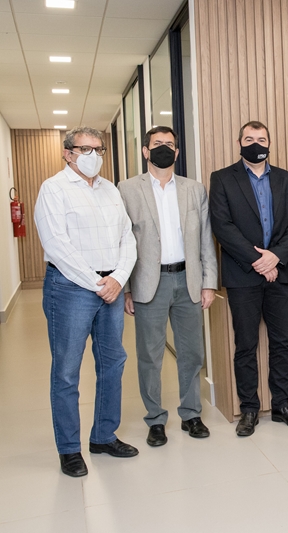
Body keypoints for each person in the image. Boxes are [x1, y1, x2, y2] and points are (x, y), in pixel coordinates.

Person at [34, 126, 138, 477]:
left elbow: (127, 237)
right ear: (68, 153)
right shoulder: (54, 189)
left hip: (110, 285)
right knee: (67, 370)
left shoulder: (110, 190)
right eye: (85, 149)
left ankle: (104, 436)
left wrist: (118, 278)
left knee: (113, 363)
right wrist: (98, 283)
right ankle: (69, 449)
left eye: (98, 149)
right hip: (70, 288)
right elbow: (56, 245)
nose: (93, 156)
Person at [119, 126, 218, 447]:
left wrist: (209, 283)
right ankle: (156, 419)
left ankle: (191, 414)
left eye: (169, 144)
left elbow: (205, 238)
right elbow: (123, 241)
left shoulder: (194, 189)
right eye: (157, 144)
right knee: (150, 355)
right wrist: (127, 288)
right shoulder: (127, 189)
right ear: (146, 151)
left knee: (192, 352)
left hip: (188, 280)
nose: (164, 148)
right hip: (149, 282)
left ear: (177, 152)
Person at [209, 120, 288, 436]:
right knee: (245, 345)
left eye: (261, 139)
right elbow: (222, 226)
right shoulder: (222, 178)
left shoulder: (286, 179)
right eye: (249, 139)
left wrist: (275, 257)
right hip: (242, 275)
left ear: (269, 143)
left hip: (281, 272)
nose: (256, 144)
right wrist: (259, 261)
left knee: (282, 343)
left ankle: (282, 405)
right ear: (239, 143)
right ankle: (249, 409)